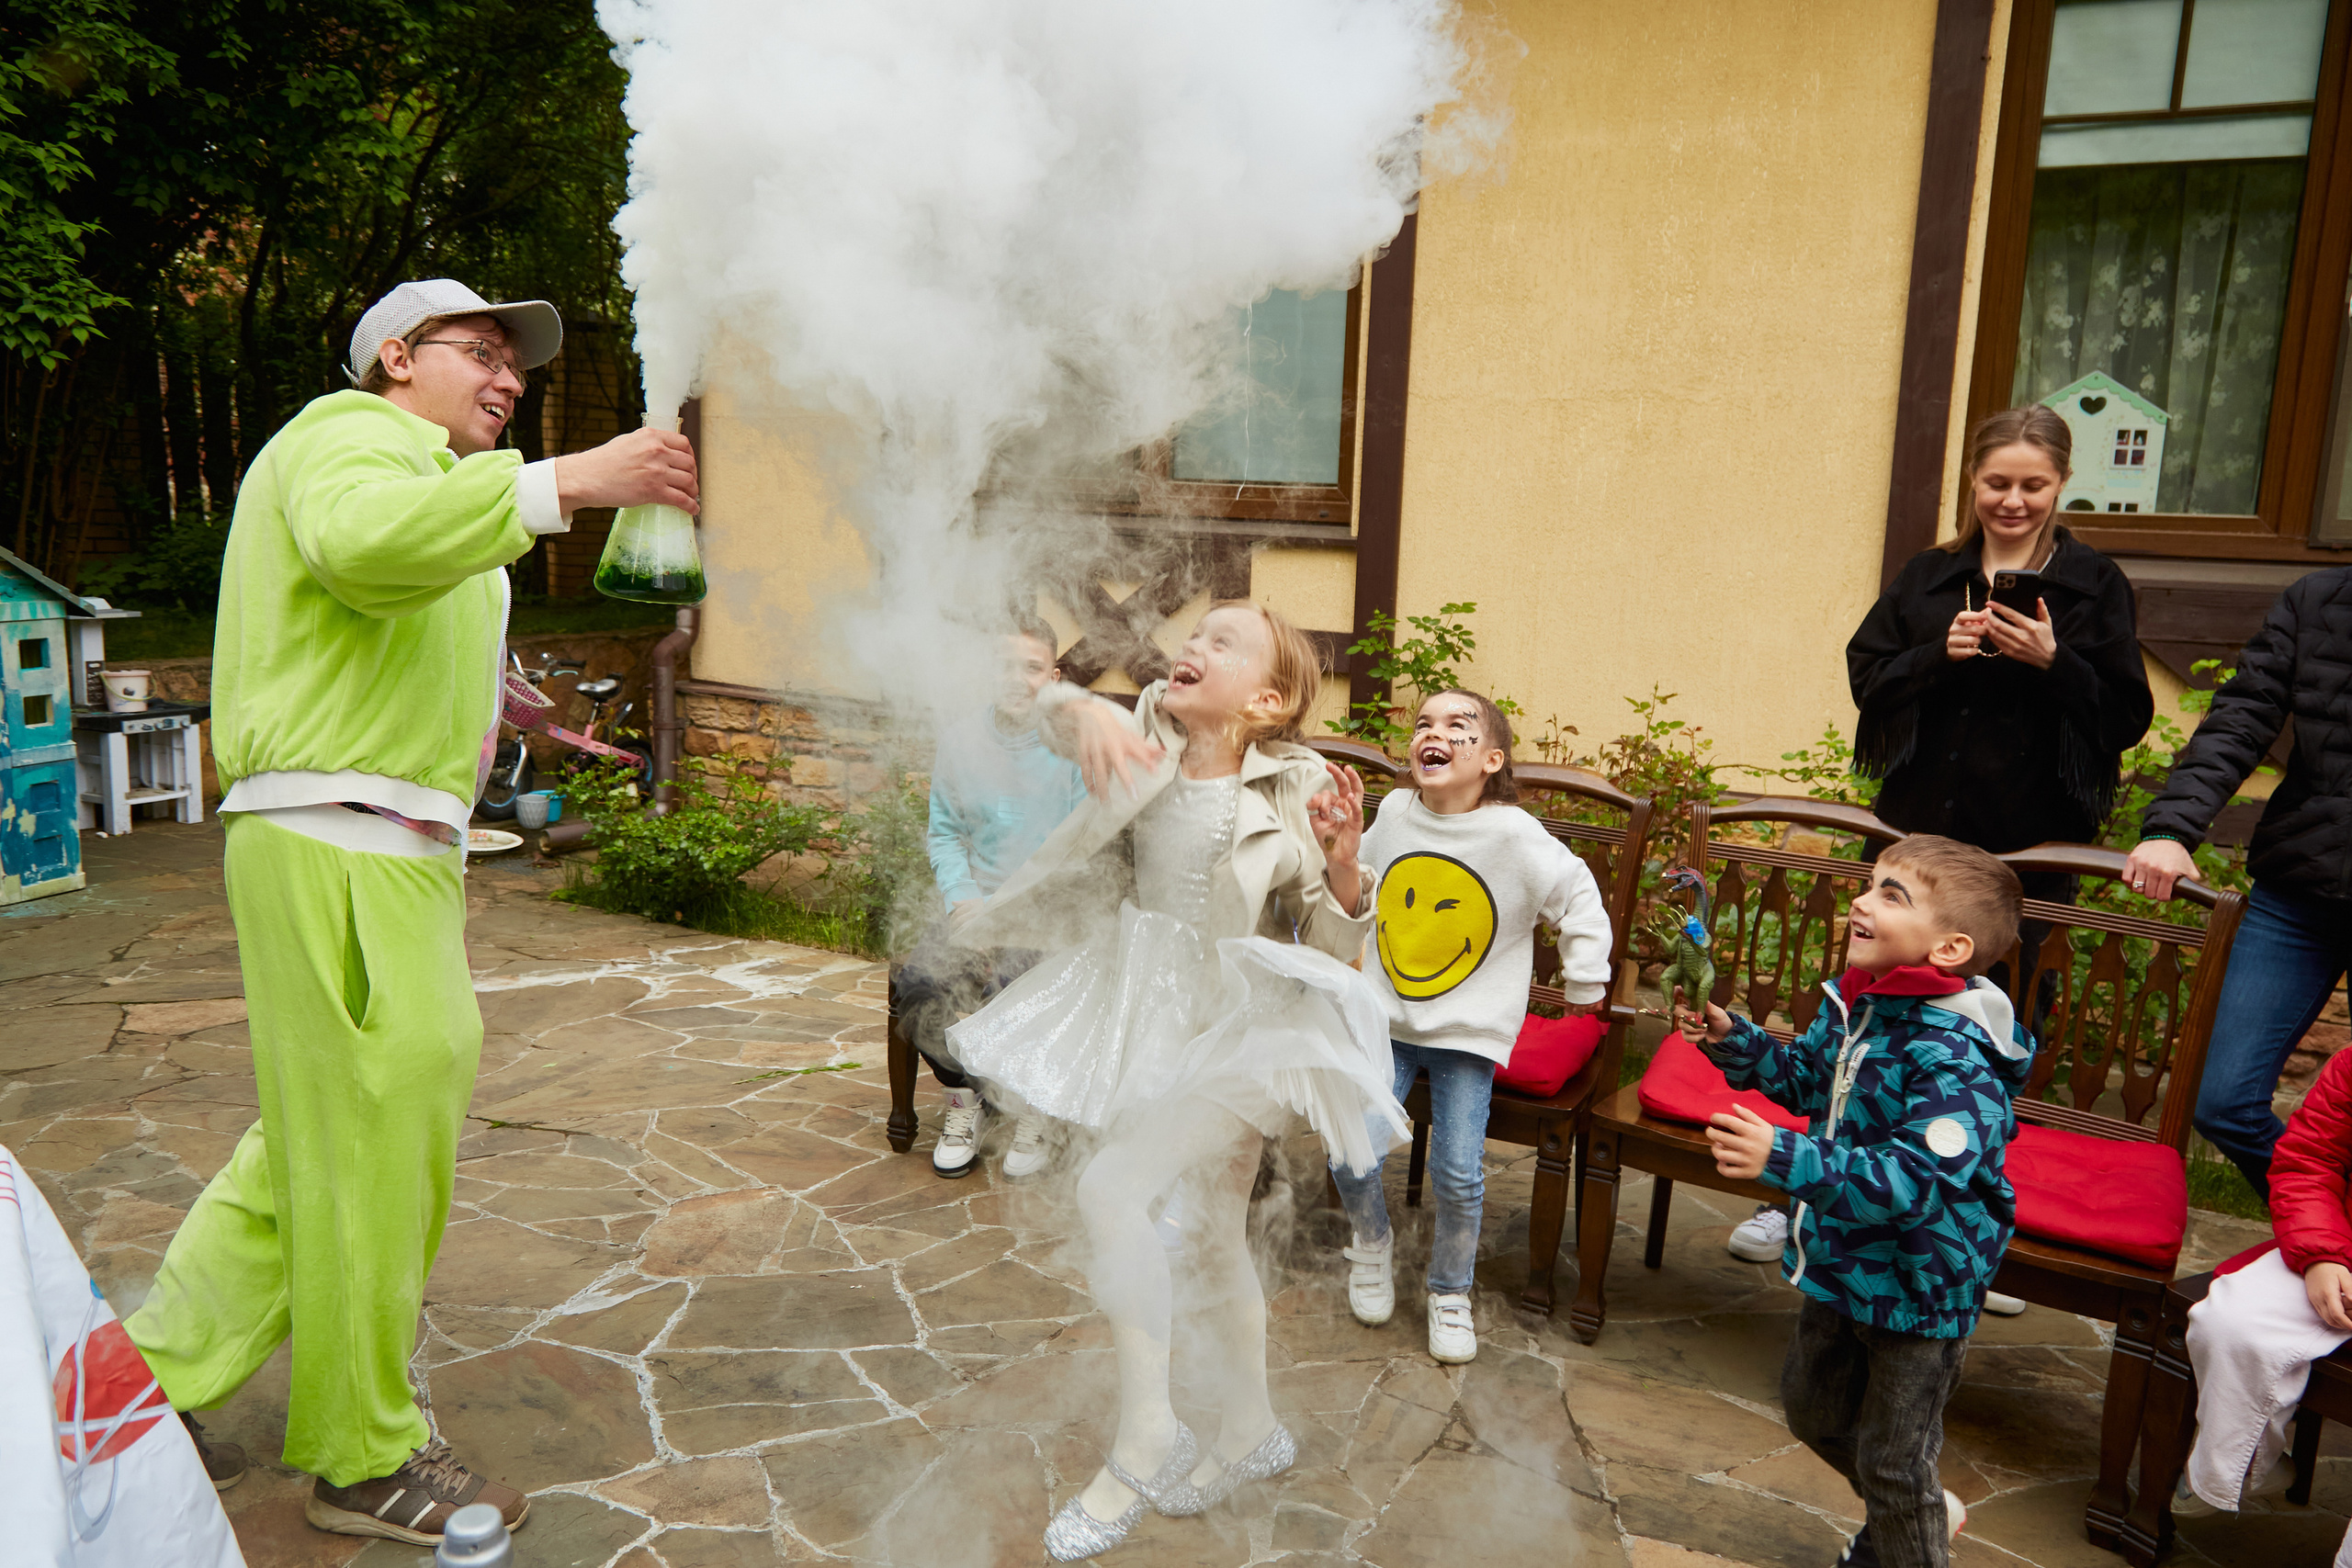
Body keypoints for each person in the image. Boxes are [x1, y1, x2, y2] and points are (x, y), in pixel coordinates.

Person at [121, 279, 699, 1546]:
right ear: (395, 355)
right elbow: (362, 546)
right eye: (481, 350)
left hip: (379, 848)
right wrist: (573, 479)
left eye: (517, 364)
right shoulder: (349, 434)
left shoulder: (427, 481)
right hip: (341, 839)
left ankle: (140, 1384)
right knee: (375, 1143)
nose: (509, 378)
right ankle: (362, 1455)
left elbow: (393, 611)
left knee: (316, 1145)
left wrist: (507, 708)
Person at [944, 601, 1405, 1560]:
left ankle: (1146, 1435)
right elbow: (1039, 712)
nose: (1193, 647)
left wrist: (1344, 868)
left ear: (1266, 702)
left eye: (1222, 643)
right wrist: (1078, 703)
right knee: (1216, 1236)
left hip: (1246, 1025)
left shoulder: (1299, 782)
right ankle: (1251, 1427)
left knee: (1111, 1188)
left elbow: (1329, 944)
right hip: (1146, 1001)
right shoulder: (1145, 723)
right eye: (1195, 635)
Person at [1778, 404, 2148, 1307]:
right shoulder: (1929, 576)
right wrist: (1937, 656)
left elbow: (2126, 718)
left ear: (2061, 485)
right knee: (1863, 1020)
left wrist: (2056, 661)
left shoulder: (2094, 586)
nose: (2012, 500)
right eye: (1996, 483)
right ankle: (1812, 1189)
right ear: (1972, 483)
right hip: (1915, 848)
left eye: (2032, 485)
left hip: (2026, 860)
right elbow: (1868, 677)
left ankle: (1969, 1231)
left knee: (1997, 1036)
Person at [1675, 837, 2031, 1568]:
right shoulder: (1858, 1005)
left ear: (1950, 947)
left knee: (1893, 1461)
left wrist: (1783, 1157)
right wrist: (1732, 1038)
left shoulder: (1958, 1054)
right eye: (1870, 884)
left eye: (1892, 895)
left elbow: (1915, 1179)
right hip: (1843, 1258)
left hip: (1920, 1282)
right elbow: (1808, 1079)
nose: (1862, 902)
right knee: (1813, 1411)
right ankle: (1918, 1510)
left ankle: (1905, 1528)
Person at [1328, 689, 1611, 1364]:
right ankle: (1372, 1241)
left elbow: (1577, 893)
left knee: (1458, 1173)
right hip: (1386, 1020)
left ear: (1491, 759)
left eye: (1459, 725)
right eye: (1424, 723)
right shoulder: (1395, 813)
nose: (1435, 732)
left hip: (1465, 1034)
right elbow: (1361, 887)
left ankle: (1450, 1289)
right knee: (1348, 1151)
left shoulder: (1514, 834)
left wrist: (1584, 981)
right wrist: (1338, 853)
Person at [2125, 566, 2352, 1197]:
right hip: (2298, 895)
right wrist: (2171, 829)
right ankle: (2325, 1220)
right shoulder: (2318, 599)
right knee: (2220, 1100)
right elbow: (2241, 718)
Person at [891, 613, 1087, 1179]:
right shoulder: (960, 741)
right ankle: (967, 1096)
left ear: (1052, 677)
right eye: (1004, 666)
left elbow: (1083, 846)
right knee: (918, 987)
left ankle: (1030, 1105)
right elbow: (945, 834)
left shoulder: (1073, 746)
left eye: (1032, 667)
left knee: (1014, 984)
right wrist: (963, 900)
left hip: (1048, 911)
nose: (1016, 679)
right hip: (975, 905)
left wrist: (1022, 914)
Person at [2172, 1041, 2352, 1559]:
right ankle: (2244, 1461)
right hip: (2341, 1241)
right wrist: (2321, 1254)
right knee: (2230, 1321)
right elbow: (2309, 1160)